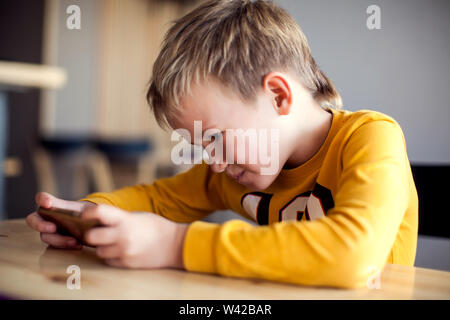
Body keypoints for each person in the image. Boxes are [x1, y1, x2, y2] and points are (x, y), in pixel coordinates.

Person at [26, 0, 418, 288]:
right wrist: (87, 215)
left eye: (214, 138)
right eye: (200, 146)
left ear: (278, 97)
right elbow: (155, 199)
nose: (213, 163)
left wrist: (176, 245)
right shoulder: (235, 170)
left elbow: (354, 256)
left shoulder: (370, 138)